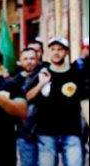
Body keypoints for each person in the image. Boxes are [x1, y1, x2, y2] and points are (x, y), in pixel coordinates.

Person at [25, 37, 89, 166]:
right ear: (48, 52)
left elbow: (85, 103)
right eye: (53, 49)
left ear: (66, 52)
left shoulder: (76, 74)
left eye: (60, 49)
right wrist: (41, 84)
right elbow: (26, 97)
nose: (56, 52)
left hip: (72, 132)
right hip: (45, 132)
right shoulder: (41, 74)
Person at [7, 47, 40, 166]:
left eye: (32, 58)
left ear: (37, 59)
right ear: (20, 61)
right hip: (24, 132)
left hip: (45, 130)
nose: (29, 61)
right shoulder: (13, 82)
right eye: (25, 59)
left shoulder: (45, 74)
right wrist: (41, 85)